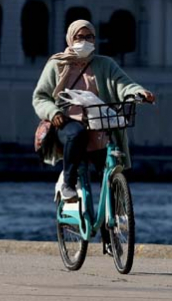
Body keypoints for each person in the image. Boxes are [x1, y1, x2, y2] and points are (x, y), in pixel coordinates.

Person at [32, 20, 154, 203]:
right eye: (79, 37)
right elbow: (40, 97)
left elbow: (123, 84)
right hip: (66, 124)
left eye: (89, 37)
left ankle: (112, 216)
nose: (84, 41)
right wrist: (54, 113)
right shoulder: (57, 64)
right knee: (78, 133)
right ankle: (67, 183)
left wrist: (139, 93)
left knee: (107, 165)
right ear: (70, 39)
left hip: (98, 124)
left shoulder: (105, 64)